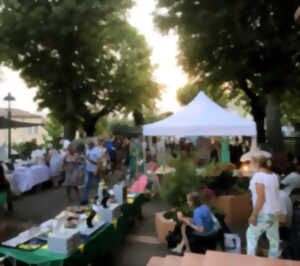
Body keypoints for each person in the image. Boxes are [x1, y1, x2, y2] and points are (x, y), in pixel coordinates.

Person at [246, 152, 281, 259]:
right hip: (275, 212)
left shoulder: (258, 177)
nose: (250, 165)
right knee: (274, 240)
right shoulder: (274, 176)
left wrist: (254, 215)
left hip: (264, 213)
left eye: (251, 162)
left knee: (251, 236)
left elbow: (261, 198)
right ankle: (273, 262)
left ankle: (250, 262)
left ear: (256, 163)